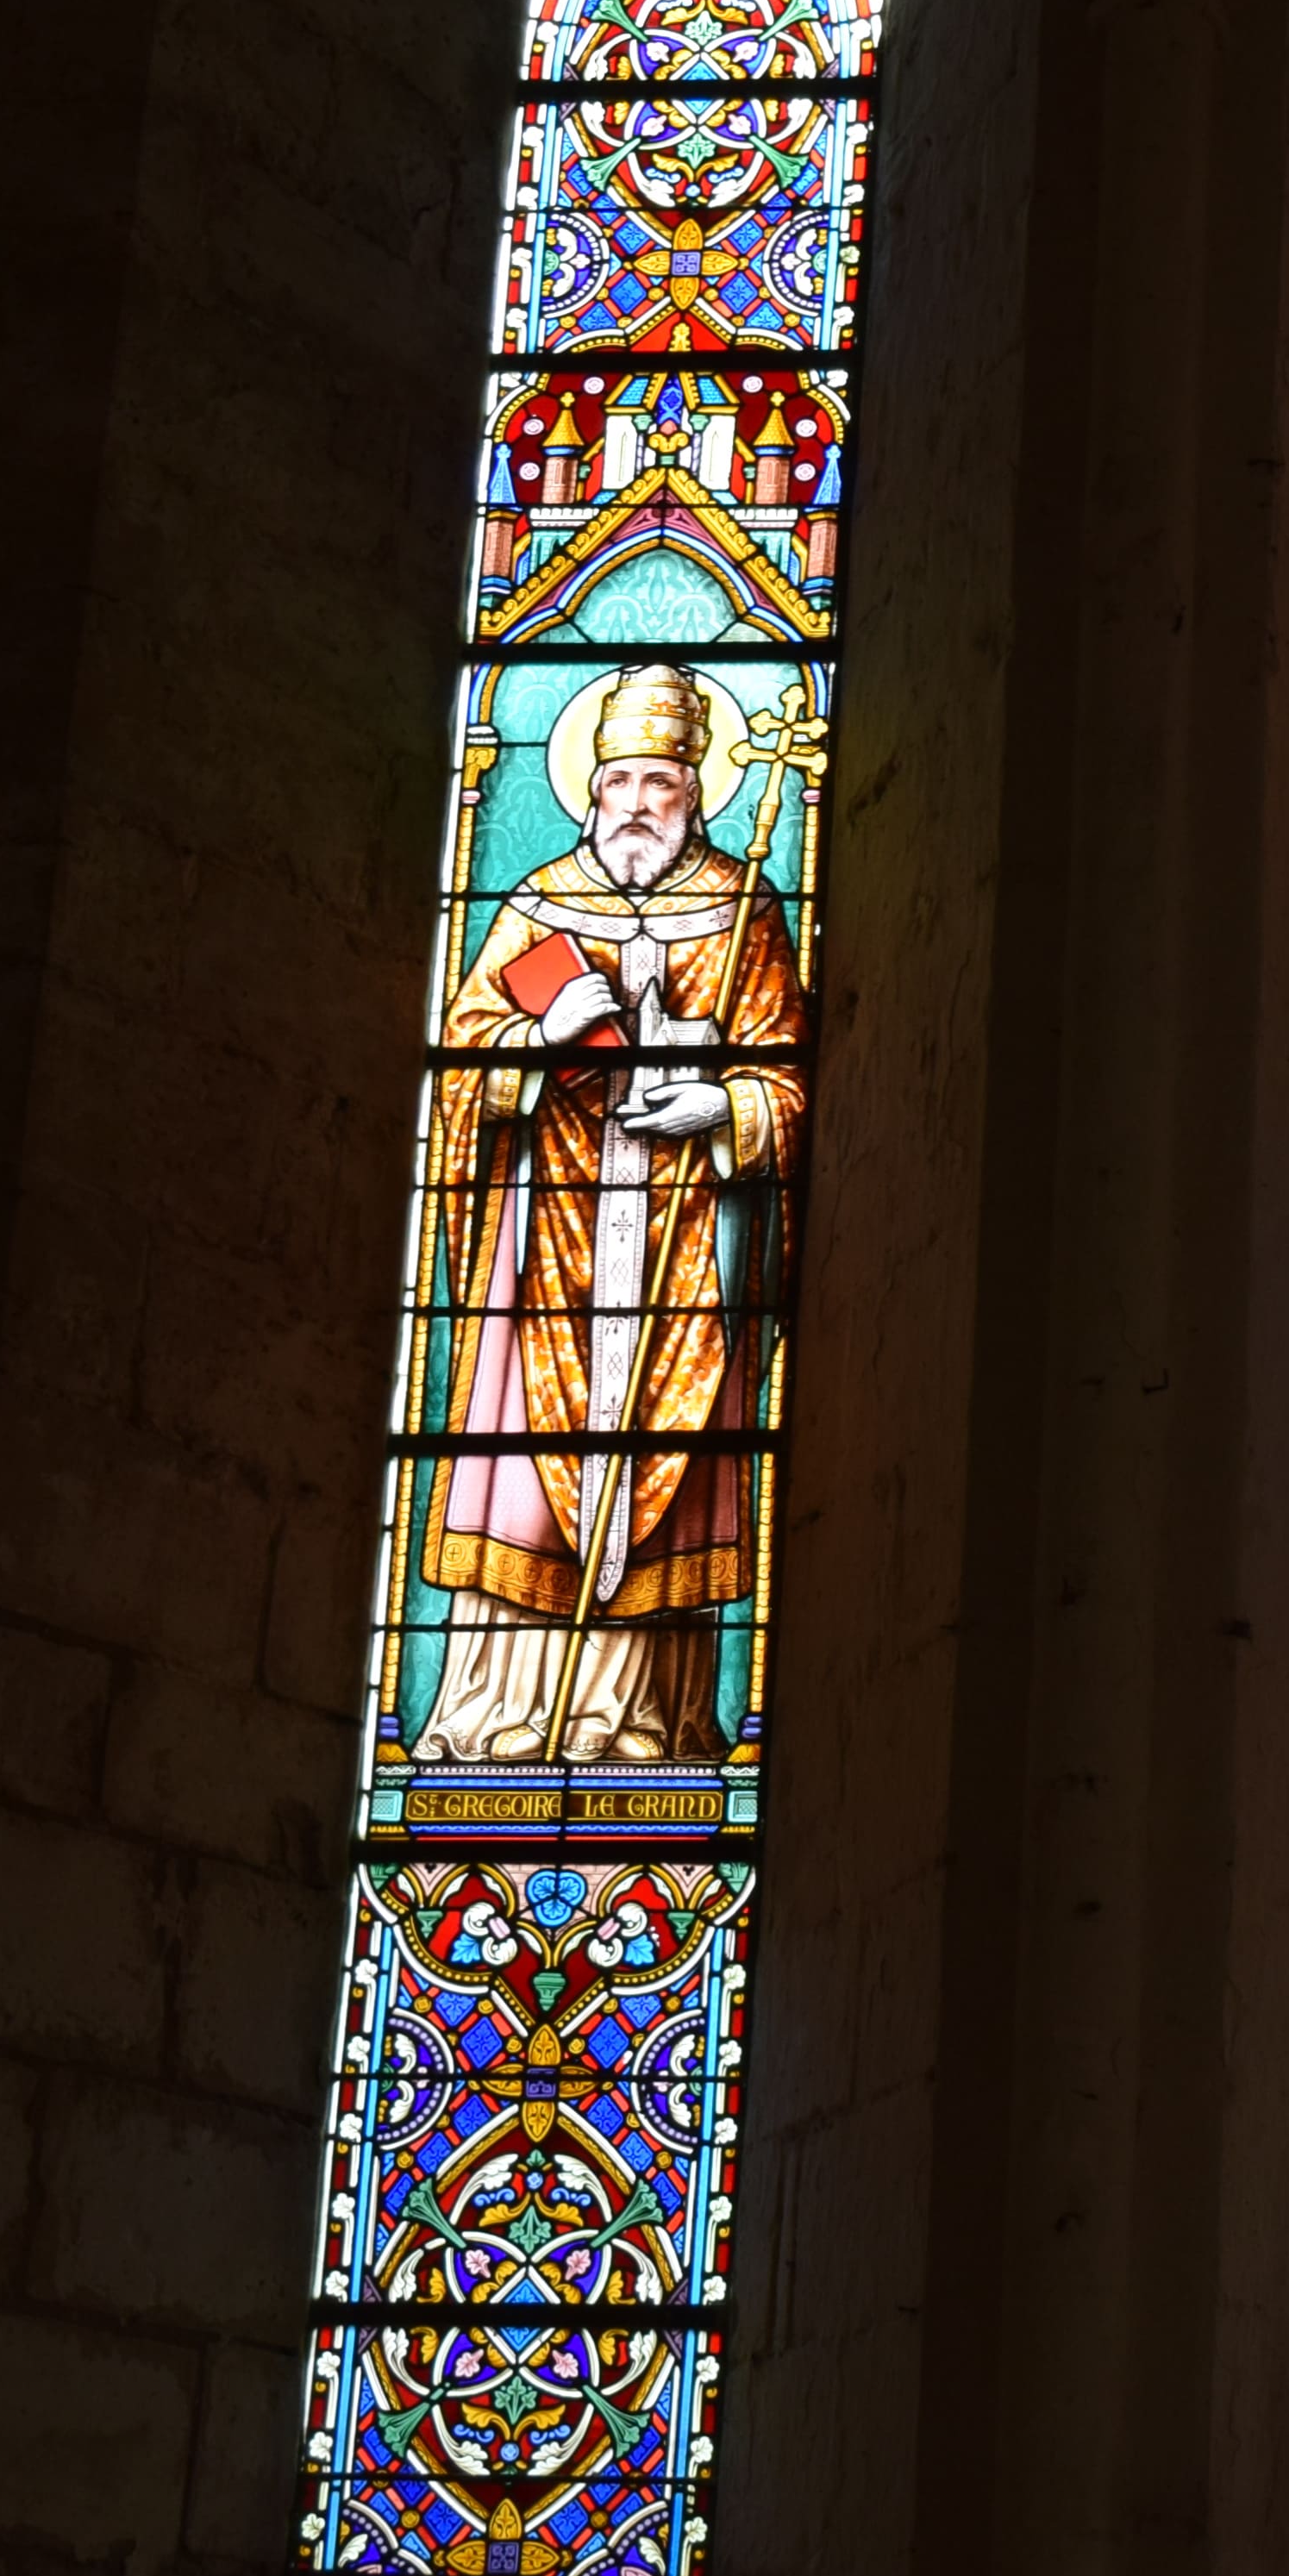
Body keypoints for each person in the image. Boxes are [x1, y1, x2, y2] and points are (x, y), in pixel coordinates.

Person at [406, 661, 807, 1761]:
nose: (637, 802)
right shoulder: (536, 906)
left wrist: (720, 1102)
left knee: (669, 1466)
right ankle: (503, 1715)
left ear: (697, 791)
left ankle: (644, 1719)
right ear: (589, 784)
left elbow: (794, 1085)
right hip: (548, 1245)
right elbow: (460, 1063)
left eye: (661, 783)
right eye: (619, 777)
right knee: (534, 1460)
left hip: (685, 1243)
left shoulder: (743, 910)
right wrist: (535, 1045)